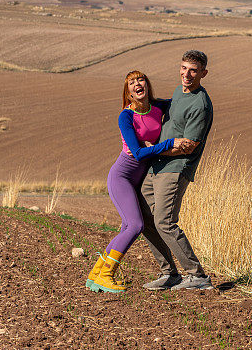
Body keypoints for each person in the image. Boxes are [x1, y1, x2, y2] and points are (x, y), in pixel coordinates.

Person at [87, 70, 193, 293]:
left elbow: (181, 102)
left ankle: (97, 274)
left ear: (147, 85)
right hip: (122, 176)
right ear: (128, 93)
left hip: (139, 179)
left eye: (140, 80)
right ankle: (106, 275)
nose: (137, 84)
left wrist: (198, 95)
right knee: (135, 225)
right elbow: (137, 153)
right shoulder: (125, 116)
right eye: (132, 83)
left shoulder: (158, 107)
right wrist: (169, 143)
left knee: (128, 226)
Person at [140, 50, 214, 291]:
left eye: (193, 70)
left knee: (165, 221)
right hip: (156, 167)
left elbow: (188, 146)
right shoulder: (178, 91)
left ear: (203, 73)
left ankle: (197, 276)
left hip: (175, 169)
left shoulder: (200, 104)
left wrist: (157, 150)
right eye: (184, 68)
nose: (187, 74)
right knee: (146, 219)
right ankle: (169, 273)